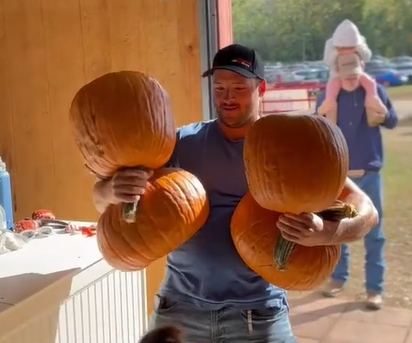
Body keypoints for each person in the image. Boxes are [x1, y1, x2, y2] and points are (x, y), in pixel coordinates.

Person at [93, 44, 378, 343]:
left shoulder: (291, 146)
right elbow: (101, 200)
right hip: (180, 310)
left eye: (239, 87)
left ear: (261, 88)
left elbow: (366, 209)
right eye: (220, 87)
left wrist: (327, 232)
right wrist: (111, 190)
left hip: (258, 314)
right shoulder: (182, 143)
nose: (228, 97)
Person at [316, 72, 398, 310]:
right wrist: (327, 104)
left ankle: (374, 289)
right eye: (342, 57)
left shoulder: (375, 91)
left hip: (370, 175)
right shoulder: (326, 94)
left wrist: (374, 99)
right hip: (339, 178)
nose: (347, 63)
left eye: (352, 55)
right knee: (337, 230)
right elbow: (317, 125)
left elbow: (391, 120)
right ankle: (338, 279)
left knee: (374, 233)